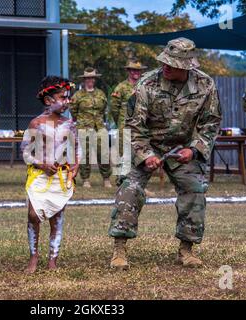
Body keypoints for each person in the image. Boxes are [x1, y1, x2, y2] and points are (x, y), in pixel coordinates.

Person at [108, 38, 221, 270]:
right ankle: (119, 249)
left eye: (172, 63)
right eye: (164, 61)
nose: (165, 66)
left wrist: (195, 148)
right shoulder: (147, 84)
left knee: (194, 189)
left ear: (187, 66)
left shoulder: (205, 84)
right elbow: (133, 125)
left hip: (182, 147)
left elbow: (211, 123)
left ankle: (186, 250)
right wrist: (145, 154)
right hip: (145, 143)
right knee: (129, 188)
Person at [21, 76, 79, 273]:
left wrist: (75, 166)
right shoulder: (36, 124)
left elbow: (75, 148)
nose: (67, 101)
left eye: (68, 97)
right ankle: (33, 256)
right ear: (48, 100)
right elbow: (26, 152)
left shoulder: (69, 124)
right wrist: (42, 164)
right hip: (39, 176)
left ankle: (53, 258)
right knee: (33, 215)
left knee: (57, 218)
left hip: (60, 177)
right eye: (63, 97)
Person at [110, 59, 155, 196]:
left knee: (139, 153)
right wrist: (120, 122)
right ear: (129, 71)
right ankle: (121, 183)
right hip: (125, 125)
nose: (136, 73)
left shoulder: (145, 86)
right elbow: (114, 108)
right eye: (133, 70)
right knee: (123, 154)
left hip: (142, 126)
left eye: (138, 70)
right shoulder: (121, 87)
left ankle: (137, 184)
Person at [70, 67, 112, 188]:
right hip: (83, 127)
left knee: (103, 153)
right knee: (84, 155)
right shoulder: (78, 95)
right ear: (84, 80)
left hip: (99, 127)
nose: (90, 80)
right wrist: (81, 121)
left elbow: (104, 108)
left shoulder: (100, 94)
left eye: (92, 78)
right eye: (87, 78)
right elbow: (73, 111)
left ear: (94, 79)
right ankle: (86, 179)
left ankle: (106, 178)